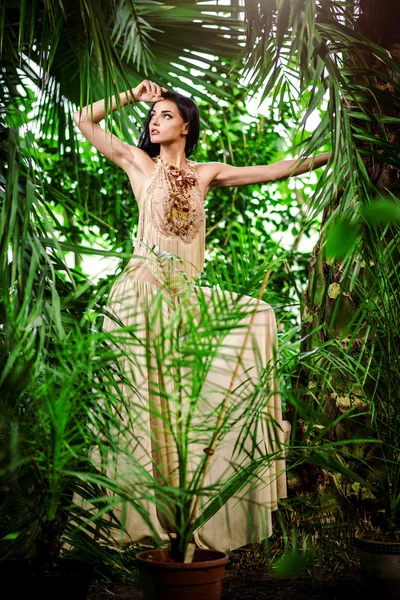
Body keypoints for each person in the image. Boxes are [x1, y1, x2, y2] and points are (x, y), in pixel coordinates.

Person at [73, 80, 330, 552]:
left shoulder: (207, 172)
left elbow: (274, 170)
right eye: (153, 117)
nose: (155, 121)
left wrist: (329, 155)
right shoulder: (139, 163)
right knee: (141, 408)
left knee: (255, 319)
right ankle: (137, 520)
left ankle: (189, 512)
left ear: (186, 125)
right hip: (142, 298)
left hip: (187, 301)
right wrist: (132, 94)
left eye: (166, 114)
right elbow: (84, 118)